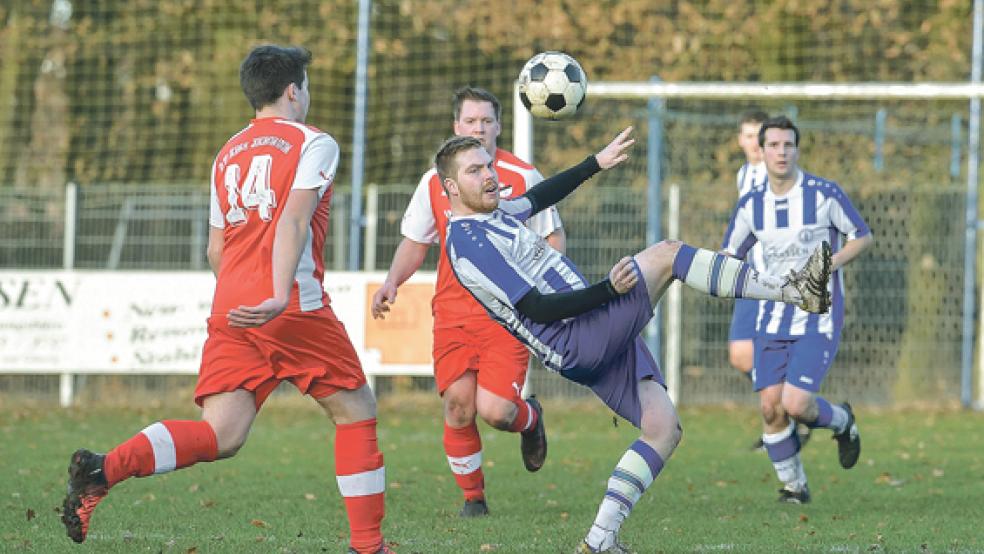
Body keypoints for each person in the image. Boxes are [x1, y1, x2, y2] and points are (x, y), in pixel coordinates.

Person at [433, 127, 832, 552]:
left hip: (587, 335)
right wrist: (609, 291)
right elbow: (535, 307)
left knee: (662, 429)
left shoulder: (494, 214)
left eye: (489, 165)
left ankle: (600, 539)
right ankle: (793, 290)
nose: (490, 175)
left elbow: (541, 196)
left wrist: (594, 163)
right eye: (475, 171)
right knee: (668, 253)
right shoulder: (468, 241)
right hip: (579, 334)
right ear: (452, 188)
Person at [61, 45, 392, 554]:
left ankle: (102, 470)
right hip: (290, 304)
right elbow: (293, 221)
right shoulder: (314, 142)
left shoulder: (227, 152)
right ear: (292, 91)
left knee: (221, 435)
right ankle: (368, 547)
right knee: (356, 412)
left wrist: (243, 298)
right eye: (306, 87)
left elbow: (216, 247)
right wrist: (278, 293)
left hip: (232, 306)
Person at [371, 86, 564, 517]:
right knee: (458, 405)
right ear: (457, 126)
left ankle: (529, 419)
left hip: (508, 316)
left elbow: (552, 237)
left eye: (487, 121)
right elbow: (415, 241)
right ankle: (474, 500)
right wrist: (391, 283)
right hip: (454, 314)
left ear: (499, 126)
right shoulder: (434, 181)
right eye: (470, 121)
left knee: (495, 411)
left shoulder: (522, 176)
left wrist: (548, 292)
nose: (479, 128)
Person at [721, 115, 874, 504]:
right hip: (770, 316)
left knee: (795, 403)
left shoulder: (824, 194)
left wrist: (829, 264)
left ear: (797, 149)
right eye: (773, 145)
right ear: (763, 150)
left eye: (788, 145)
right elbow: (729, 254)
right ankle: (794, 487)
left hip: (817, 315)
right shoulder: (751, 206)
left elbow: (862, 236)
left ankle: (842, 421)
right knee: (771, 407)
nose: (781, 152)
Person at [728, 110, 812, 451]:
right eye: (747, 136)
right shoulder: (743, 174)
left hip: (775, 279)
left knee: (754, 352)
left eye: (757, 137)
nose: (752, 144)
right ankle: (784, 409)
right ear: (741, 140)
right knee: (740, 356)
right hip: (751, 276)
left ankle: (784, 414)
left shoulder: (778, 174)